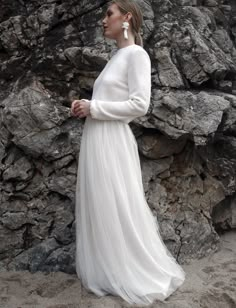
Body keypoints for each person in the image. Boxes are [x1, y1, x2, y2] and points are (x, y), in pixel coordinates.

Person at [71, 0, 186, 306]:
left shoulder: (136, 55)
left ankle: (131, 270)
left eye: (108, 14)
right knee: (102, 204)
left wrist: (94, 107)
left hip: (112, 140)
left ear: (127, 17)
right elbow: (113, 99)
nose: (102, 20)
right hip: (97, 138)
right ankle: (110, 270)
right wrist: (86, 106)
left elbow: (140, 104)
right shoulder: (117, 57)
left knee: (118, 202)